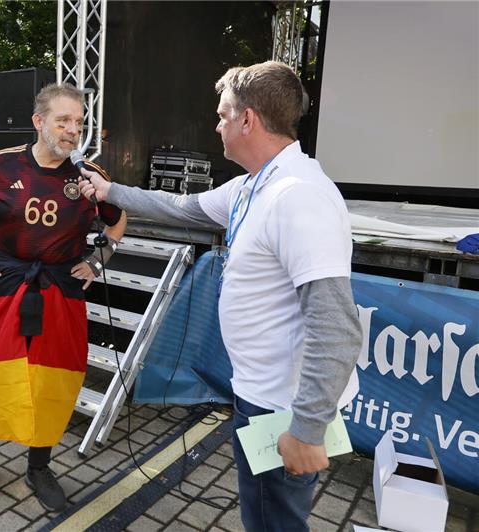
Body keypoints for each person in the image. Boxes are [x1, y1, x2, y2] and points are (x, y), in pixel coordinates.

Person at [78, 61, 361, 531]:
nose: (217, 124)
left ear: (248, 120)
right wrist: (111, 190)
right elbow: (180, 207)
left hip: (284, 409)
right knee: (264, 515)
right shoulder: (253, 185)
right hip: (259, 396)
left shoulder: (298, 195)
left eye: (223, 114)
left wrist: (307, 429)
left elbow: (336, 326)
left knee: (276, 522)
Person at [0, 83, 127, 512]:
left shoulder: (89, 178)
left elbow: (118, 221)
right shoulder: (0, 166)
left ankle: (39, 467)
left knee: (53, 384)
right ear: (39, 122)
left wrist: (98, 261)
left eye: (79, 122)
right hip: (3, 287)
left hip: (59, 293)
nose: (72, 130)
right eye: (63, 120)